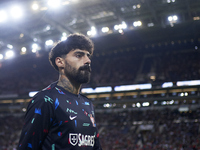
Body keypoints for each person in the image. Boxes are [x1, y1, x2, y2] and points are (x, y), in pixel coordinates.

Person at [17, 33, 102, 150]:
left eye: (88, 56)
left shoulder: (88, 104)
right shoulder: (45, 100)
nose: (88, 61)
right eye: (79, 55)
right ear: (60, 62)